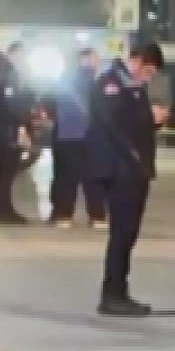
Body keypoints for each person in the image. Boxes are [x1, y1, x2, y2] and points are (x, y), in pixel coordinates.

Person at [87, 42, 168, 316]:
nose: (149, 76)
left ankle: (119, 289)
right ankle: (112, 293)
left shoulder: (129, 85)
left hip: (133, 168)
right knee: (122, 232)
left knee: (127, 233)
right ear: (138, 61)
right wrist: (149, 119)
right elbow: (114, 125)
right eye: (148, 70)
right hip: (120, 169)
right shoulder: (112, 82)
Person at [49, 47, 106, 227]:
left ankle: (64, 215)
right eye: (95, 59)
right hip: (89, 134)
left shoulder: (63, 78)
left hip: (66, 135)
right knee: (93, 177)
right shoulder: (95, 80)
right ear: (88, 60)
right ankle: (96, 216)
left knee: (67, 176)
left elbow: (51, 103)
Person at [0, 42, 32, 225]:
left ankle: (5, 209)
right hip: (9, 130)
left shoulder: (8, 75)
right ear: (12, 55)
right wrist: (21, 125)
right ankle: (4, 211)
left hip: (7, 128)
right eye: (21, 55)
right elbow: (12, 106)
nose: (24, 59)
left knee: (6, 172)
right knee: (6, 172)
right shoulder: (9, 77)